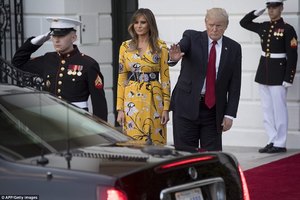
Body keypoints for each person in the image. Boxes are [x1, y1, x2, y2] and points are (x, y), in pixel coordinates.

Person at [169, 8, 242, 151]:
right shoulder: (191, 37)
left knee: (212, 157)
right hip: (186, 107)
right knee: (185, 155)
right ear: (205, 23)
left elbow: (235, 84)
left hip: (213, 111)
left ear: (226, 26)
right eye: (211, 25)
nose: (214, 29)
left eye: (219, 25)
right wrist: (173, 58)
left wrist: (229, 114)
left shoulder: (234, 48)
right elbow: (181, 47)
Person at [12, 17, 108, 121]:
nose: (56, 40)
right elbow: (18, 62)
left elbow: (99, 104)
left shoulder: (88, 64)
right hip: (51, 121)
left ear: (73, 38)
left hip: (78, 121)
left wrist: (101, 132)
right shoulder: (48, 59)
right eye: (54, 35)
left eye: (61, 36)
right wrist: (35, 42)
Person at [240, 0, 298, 153]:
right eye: (269, 8)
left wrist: (288, 77)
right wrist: (258, 11)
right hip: (263, 72)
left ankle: (280, 142)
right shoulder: (264, 26)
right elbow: (244, 22)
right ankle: (272, 139)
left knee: (279, 109)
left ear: (281, 8)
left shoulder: (287, 29)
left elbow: (292, 55)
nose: (271, 10)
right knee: (267, 109)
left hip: (279, 74)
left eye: (274, 7)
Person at [116, 8, 171, 145]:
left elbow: (165, 78)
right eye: (136, 22)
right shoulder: (125, 46)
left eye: (143, 22)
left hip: (154, 98)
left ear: (150, 24)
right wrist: (120, 109)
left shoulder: (161, 46)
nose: (139, 26)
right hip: (131, 100)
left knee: (156, 143)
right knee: (133, 144)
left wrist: (166, 108)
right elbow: (121, 78)